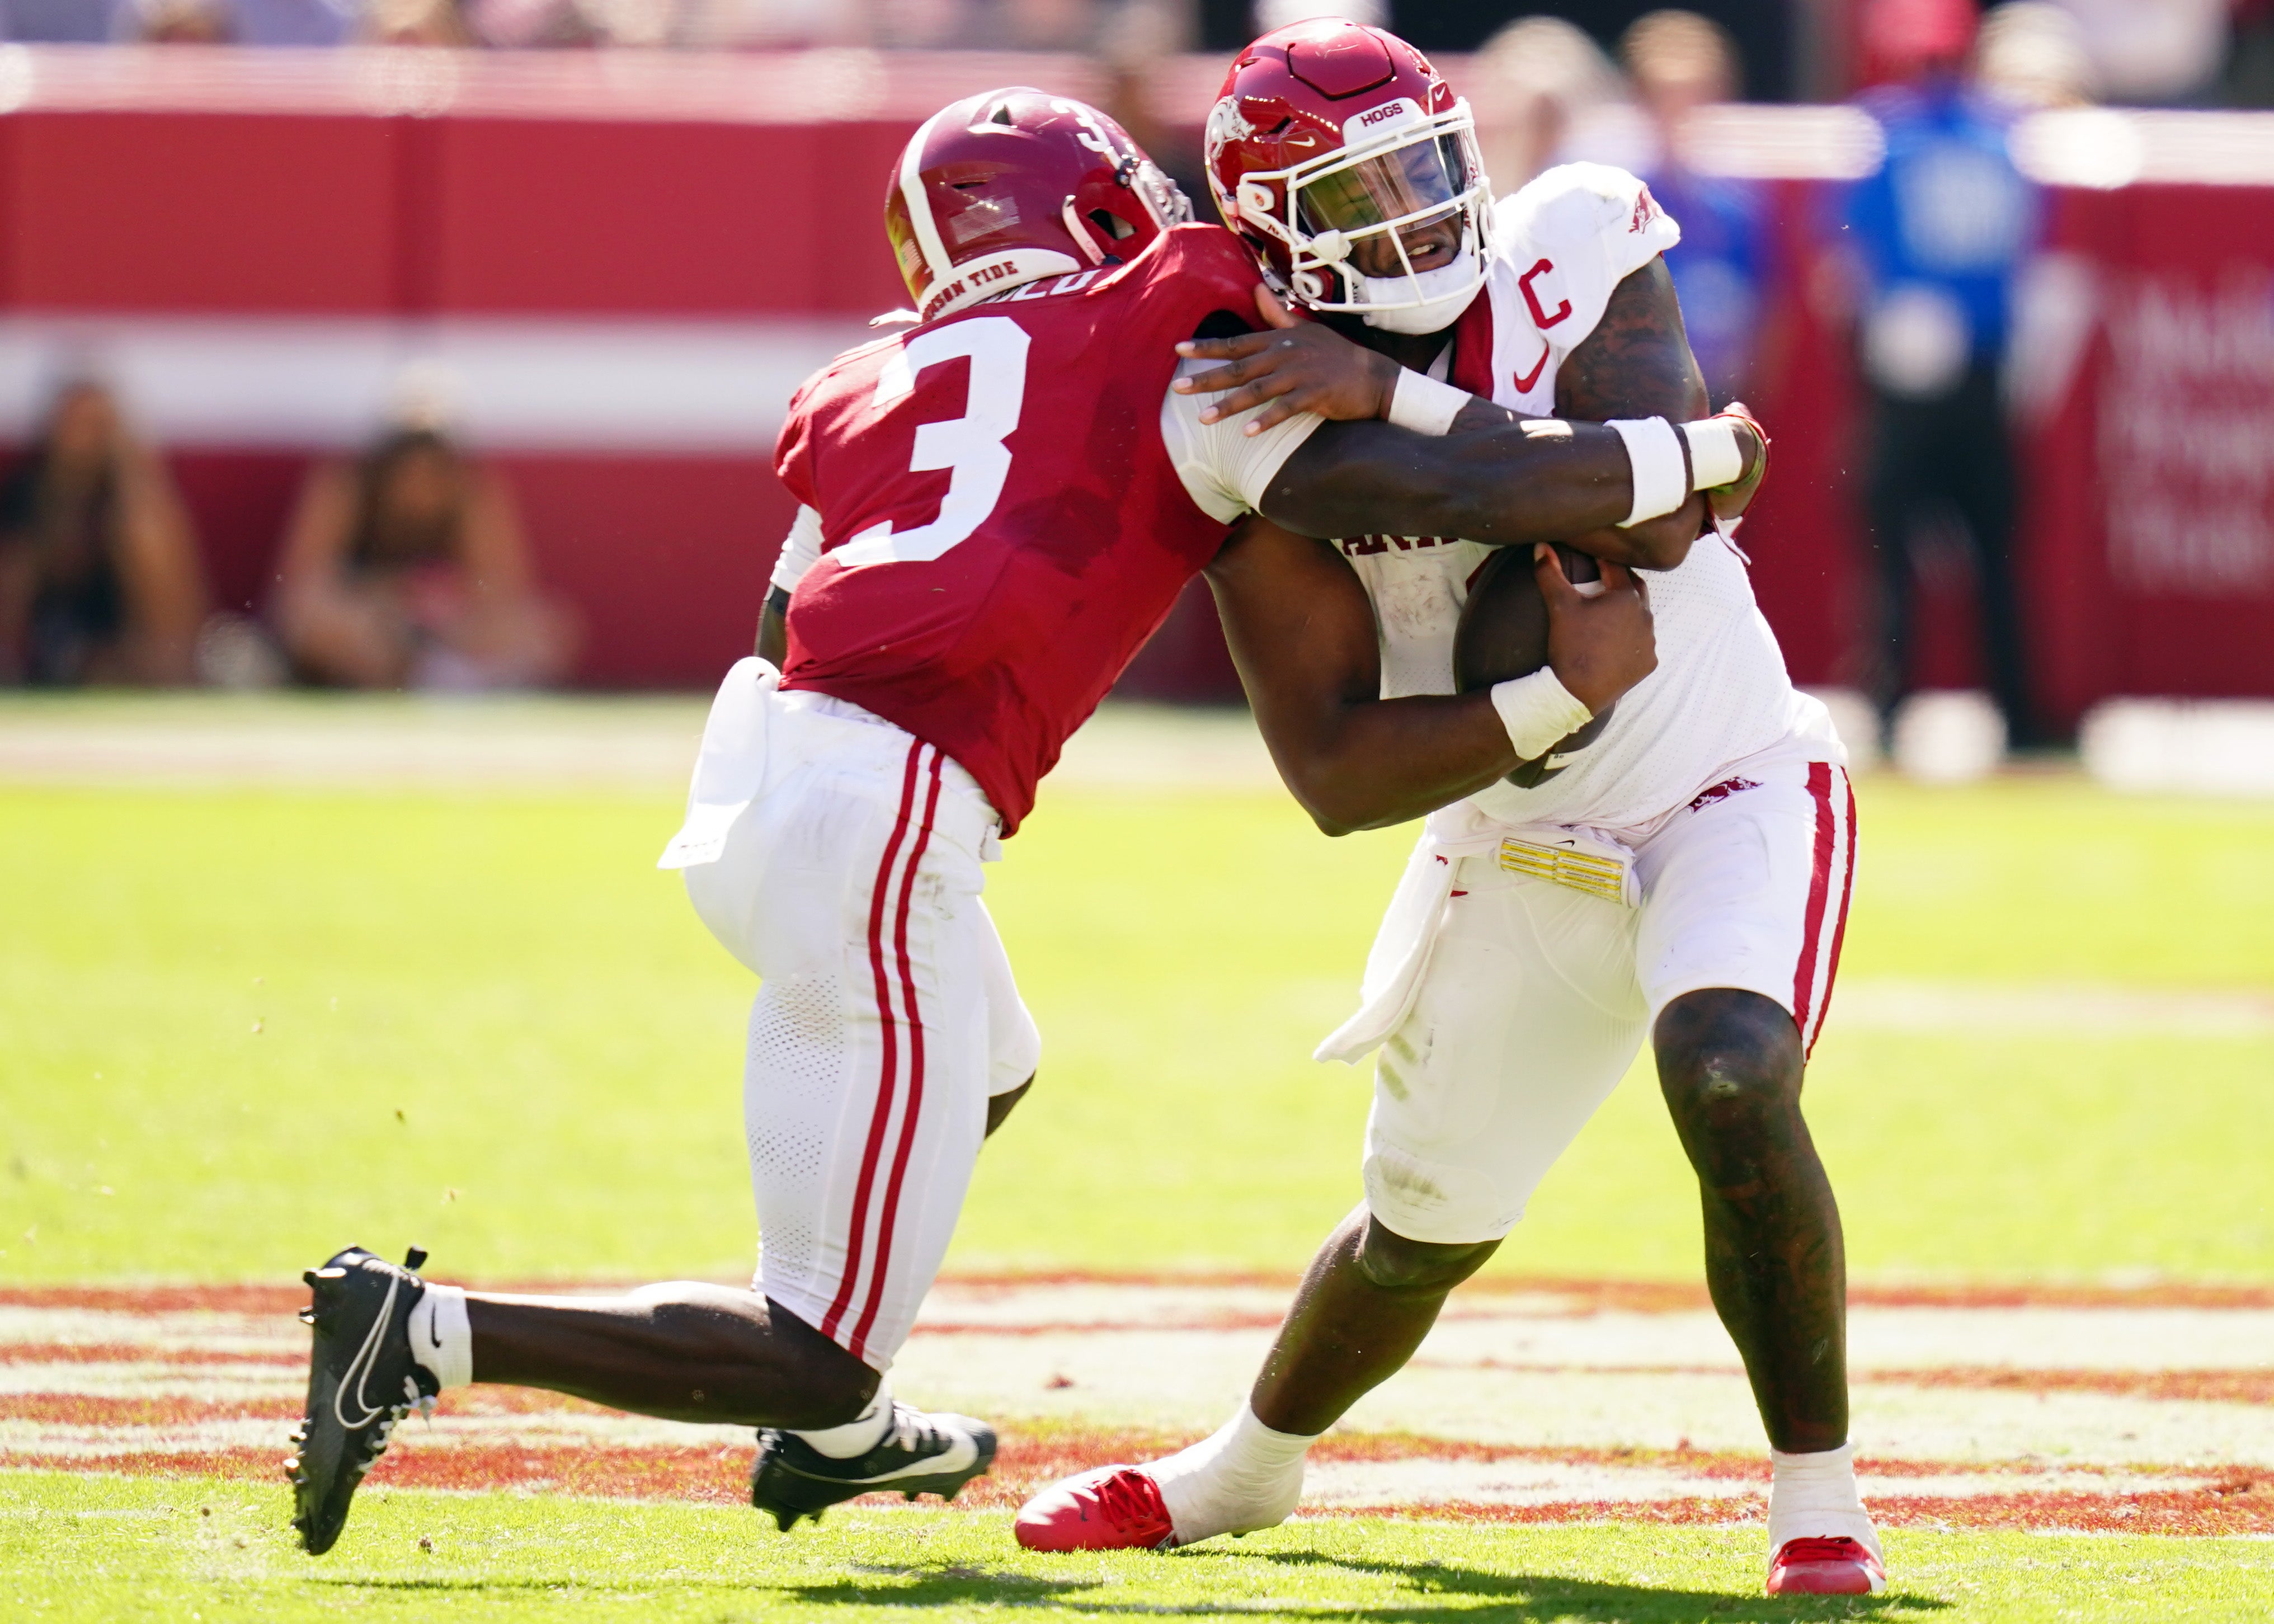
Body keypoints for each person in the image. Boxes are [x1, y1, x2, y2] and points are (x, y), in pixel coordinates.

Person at [281, 87, 1762, 1557]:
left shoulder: (865, 376)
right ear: (1112, 206)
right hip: (895, 812)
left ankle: (838, 1415)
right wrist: (1693, 460)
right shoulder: (1177, 328)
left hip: (762, 767)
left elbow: (784, 608)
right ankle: (426, 1332)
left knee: (991, 1055)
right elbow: (1414, 475)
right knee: (818, 1340)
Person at [1013, 20, 1881, 1599]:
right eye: (1356, 200)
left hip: (1725, 774)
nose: (1411, 219)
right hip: (1510, 827)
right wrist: (1588, 582)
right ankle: (1249, 1465)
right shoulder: (1235, 406)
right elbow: (1341, 771)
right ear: (1277, 235)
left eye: (1422, 171)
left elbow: (1673, 523)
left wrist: (1411, 404)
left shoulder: (1576, 227)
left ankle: (1819, 1501)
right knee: (1417, 1225)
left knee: (1731, 1063)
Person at [1843, 0, 2042, 744]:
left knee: (1895, 545)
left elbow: (1850, 257)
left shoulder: (1889, 139)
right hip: (1980, 364)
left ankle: (1896, 707)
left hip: (1916, 367)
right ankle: (2013, 712)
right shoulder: (2001, 138)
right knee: (1984, 547)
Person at [272, 423, 576, 690]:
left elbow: (506, 590)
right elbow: (300, 588)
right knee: (316, 618)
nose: (418, 486)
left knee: (548, 631)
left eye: (434, 467)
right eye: (406, 467)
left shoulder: (473, 492)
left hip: (452, 631)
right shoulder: (345, 484)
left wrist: (445, 607)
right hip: (369, 622)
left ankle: (447, 680)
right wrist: (391, 597)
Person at [0, 379, 206, 687]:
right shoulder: (23, 504)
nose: (83, 442)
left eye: (98, 428)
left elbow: (179, 632)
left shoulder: (139, 515)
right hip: (37, 652)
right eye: (74, 425)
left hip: (122, 655)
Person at [1622, 9, 1776, 403]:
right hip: (1634, 392)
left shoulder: (1738, 208)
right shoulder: (1618, 202)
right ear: (1640, 99)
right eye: (1665, 97)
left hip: (1718, 388)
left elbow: (1769, 305)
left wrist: (1753, 382)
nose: (1679, 112)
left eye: (1693, 95)